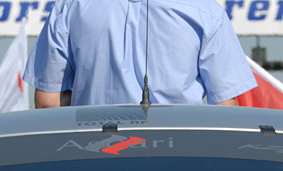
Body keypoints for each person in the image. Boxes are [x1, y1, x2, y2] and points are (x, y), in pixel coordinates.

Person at [22, 0, 256, 108]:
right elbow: (224, 106)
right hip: (181, 160)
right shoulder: (207, 11)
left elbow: (47, 102)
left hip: (95, 156)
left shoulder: (69, 7)